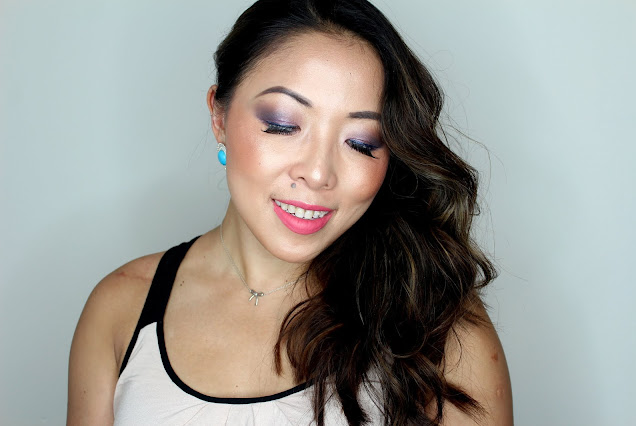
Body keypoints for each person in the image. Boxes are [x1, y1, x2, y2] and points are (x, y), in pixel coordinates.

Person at [67, 0, 512, 424]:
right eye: (283, 124)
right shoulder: (121, 308)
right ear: (219, 117)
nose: (318, 173)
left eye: (361, 143)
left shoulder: (439, 327)